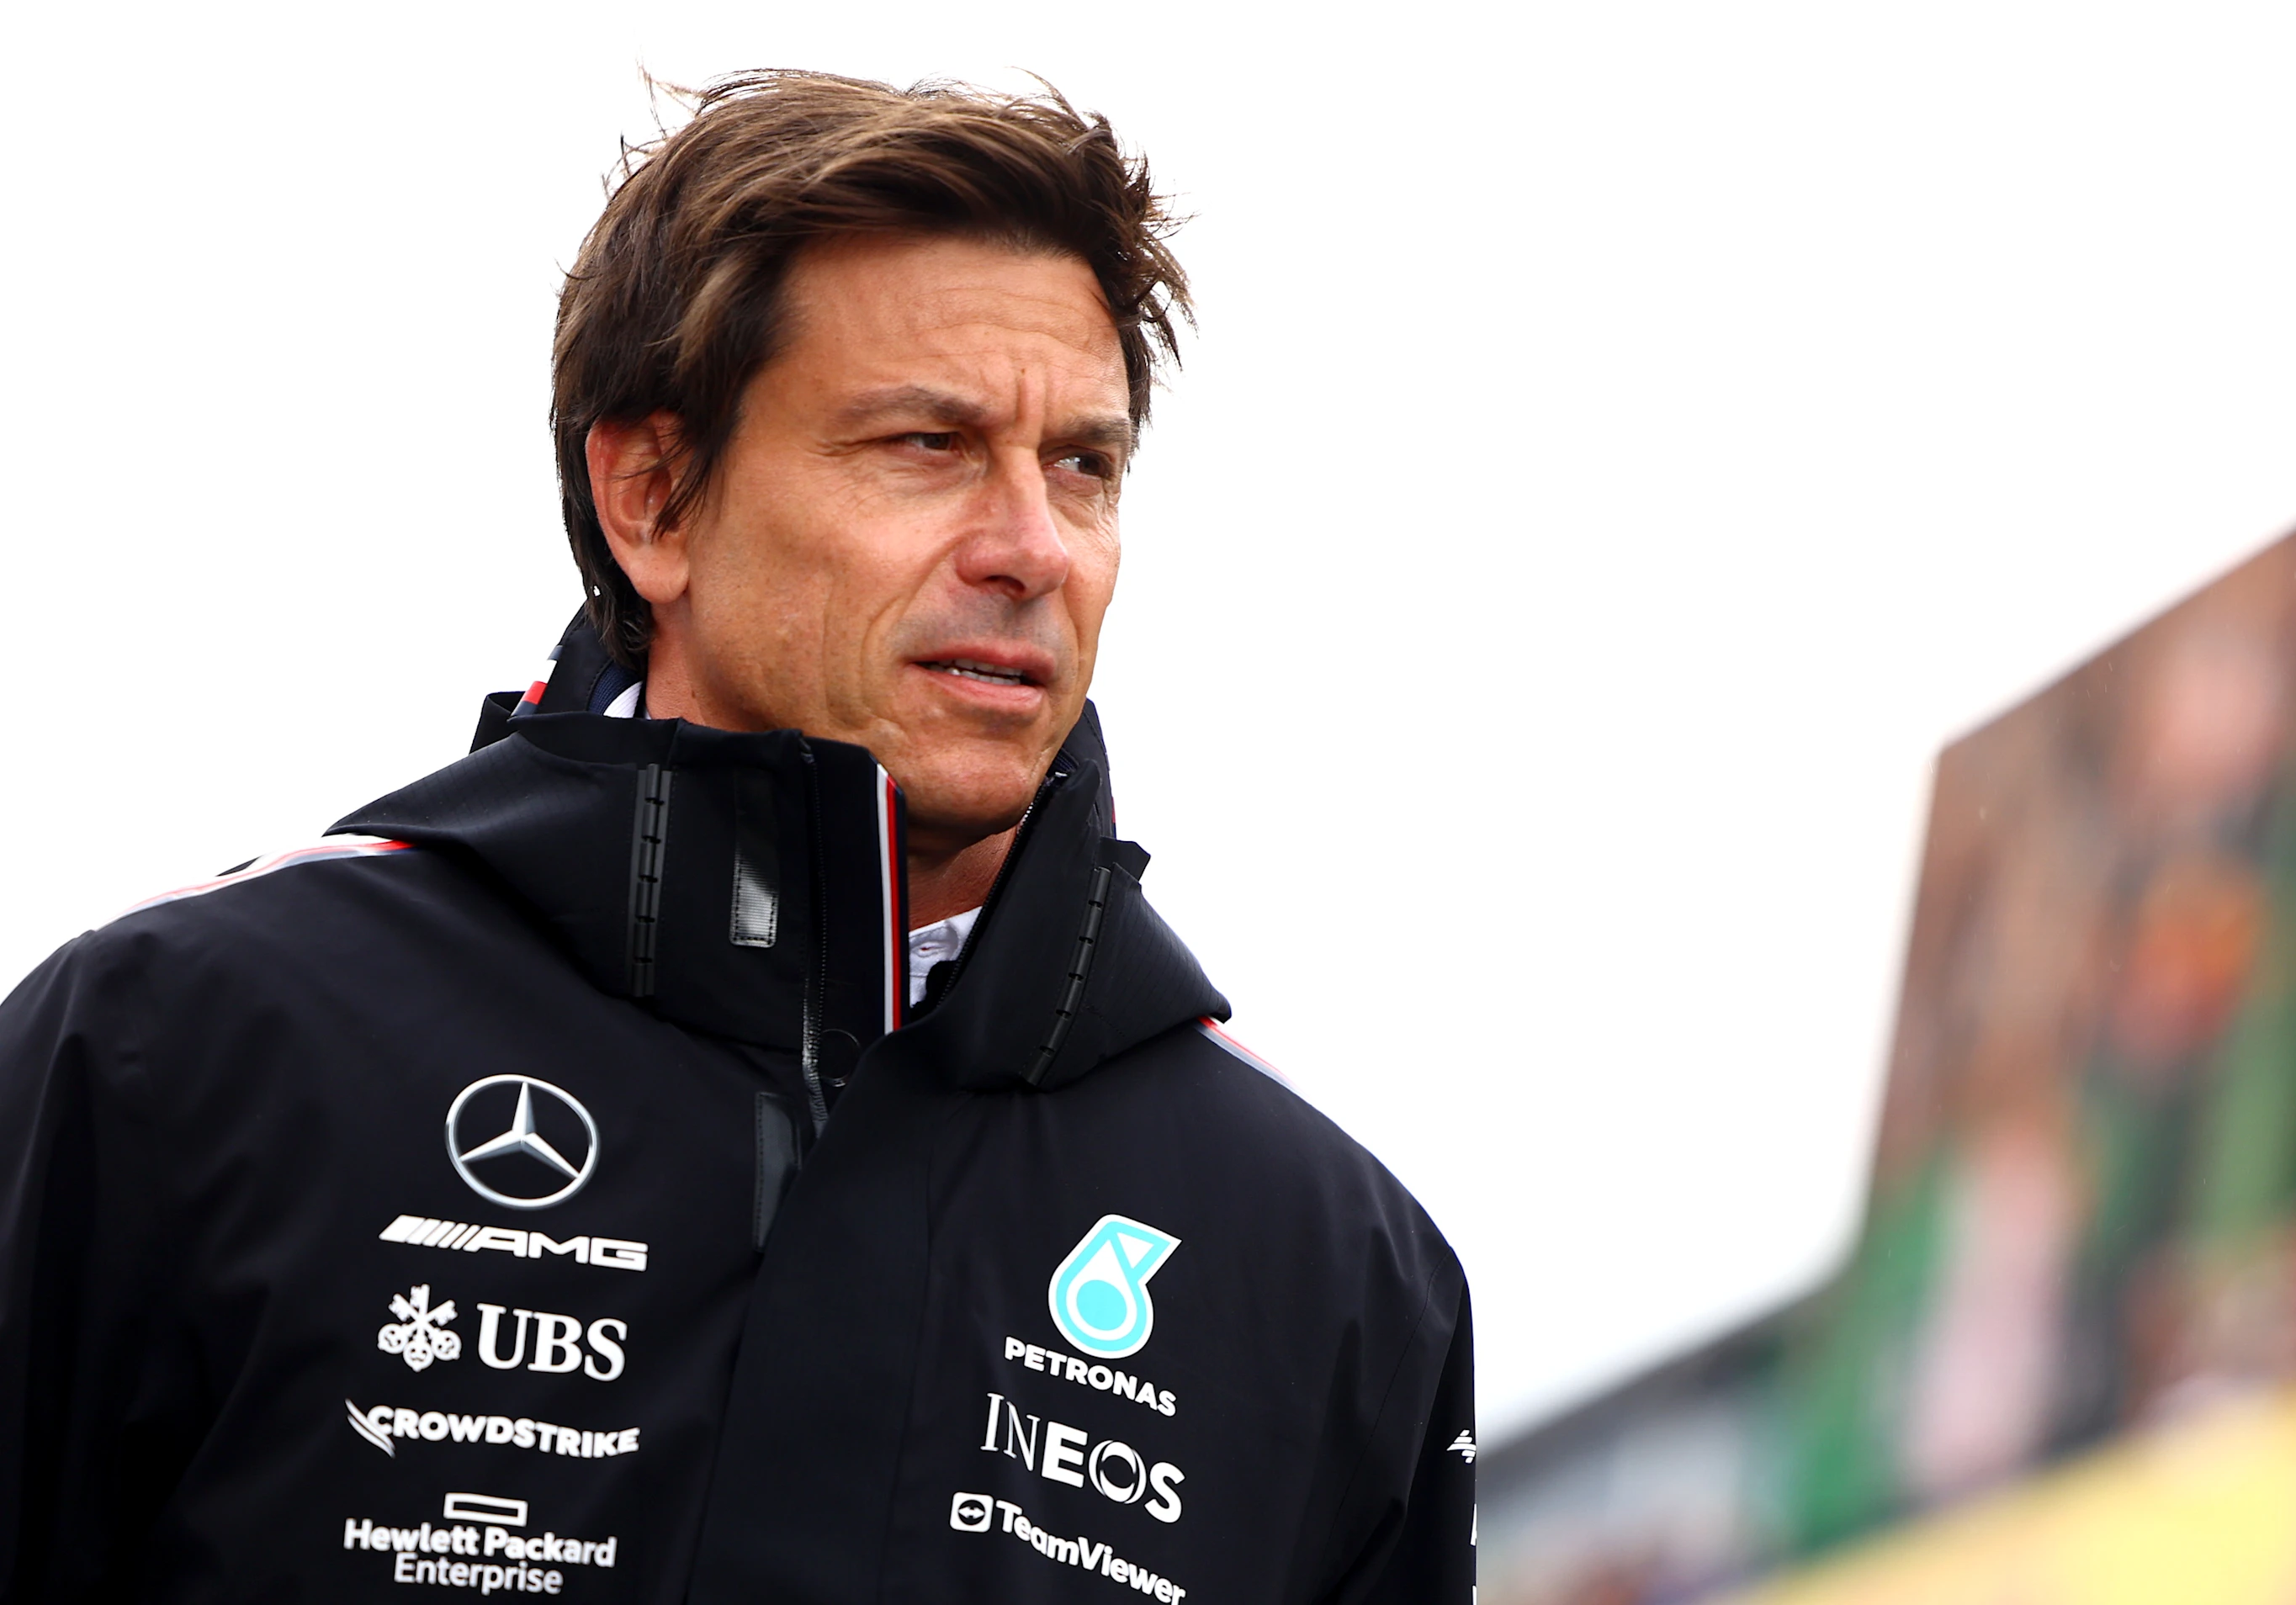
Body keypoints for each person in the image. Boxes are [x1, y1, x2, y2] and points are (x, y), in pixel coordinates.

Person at [0, 72, 1472, 1604]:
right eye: (927, 444)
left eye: (1083, 467)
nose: (1031, 547)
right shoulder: (176, 1051)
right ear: (654, 498)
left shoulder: (1333, 1271)